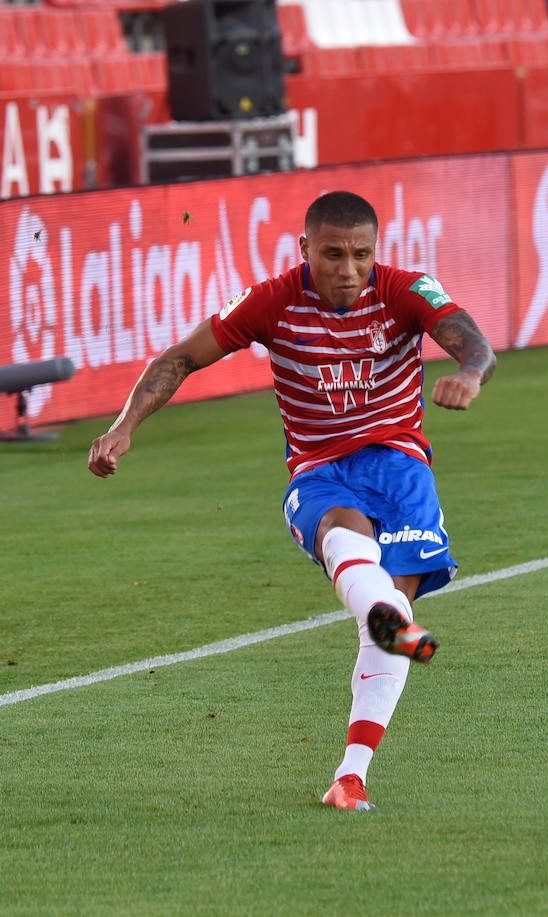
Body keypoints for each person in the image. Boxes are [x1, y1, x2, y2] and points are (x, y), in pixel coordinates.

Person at [88, 190, 496, 812]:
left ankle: (350, 776)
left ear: (375, 250)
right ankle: (383, 619)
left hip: (399, 467)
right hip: (318, 469)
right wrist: (124, 428)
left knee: (385, 618)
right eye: (333, 254)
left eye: (361, 254)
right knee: (345, 539)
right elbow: (180, 358)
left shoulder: (406, 290)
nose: (348, 270)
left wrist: (469, 374)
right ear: (305, 248)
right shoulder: (272, 301)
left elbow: (475, 344)